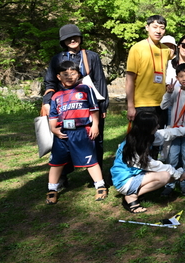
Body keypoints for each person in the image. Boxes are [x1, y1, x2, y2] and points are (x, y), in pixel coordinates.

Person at [42, 24, 109, 185]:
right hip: (65, 108)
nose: (72, 40)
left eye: (75, 37)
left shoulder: (91, 56)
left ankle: (96, 175)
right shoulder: (57, 59)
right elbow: (50, 82)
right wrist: (47, 101)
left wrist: (103, 106)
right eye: (67, 38)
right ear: (63, 42)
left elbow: (100, 81)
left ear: (80, 38)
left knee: (95, 138)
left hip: (90, 106)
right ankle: (63, 174)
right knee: (63, 140)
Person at [111, 112, 185, 213]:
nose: (158, 126)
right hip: (125, 181)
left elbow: (166, 133)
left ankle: (134, 191)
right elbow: (152, 165)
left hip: (136, 175)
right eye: (155, 124)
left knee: (170, 176)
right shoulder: (134, 146)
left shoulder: (144, 136)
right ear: (147, 127)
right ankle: (131, 196)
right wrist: (178, 174)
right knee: (165, 176)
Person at [45, 61, 107, 205]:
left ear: (78, 74)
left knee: (91, 160)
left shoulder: (85, 89)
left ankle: (100, 185)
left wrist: (95, 125)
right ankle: (52, 189)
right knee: (56, 162)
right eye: (65, 74)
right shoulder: (56, 96)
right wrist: (54, 129)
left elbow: (94, 109)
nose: (69, 76)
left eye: (73, 73)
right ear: (59, 77)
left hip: (82, 132)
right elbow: (53, 116)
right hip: (63, 134)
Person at [160, 63, 185, 196]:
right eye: (181, 76)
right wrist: (168, 93)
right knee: (172, 159)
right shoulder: (175, 90)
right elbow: (163, 106)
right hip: (174, 133)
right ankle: (170, 183)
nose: (184, 79)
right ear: (176, 77)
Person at [125, 15, 171, 125]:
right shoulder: (137, 48)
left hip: (162, 103)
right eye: (155, 27)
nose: (158, 31)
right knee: (142, 140)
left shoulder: (166, 50)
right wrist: (130, 106)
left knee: (160, 138)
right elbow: (129, 79)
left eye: (162, 28)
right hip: (142, 103)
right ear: (147, 27)